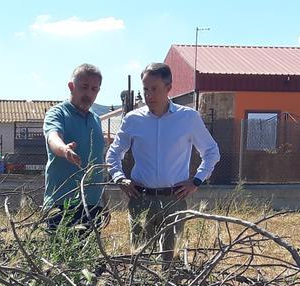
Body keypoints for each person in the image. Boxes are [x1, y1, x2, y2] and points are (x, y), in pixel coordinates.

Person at [106, 62, 220, 263]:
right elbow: (113, 154)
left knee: (171, 260)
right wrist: (119, 178)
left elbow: (211, 152)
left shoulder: (188, 118)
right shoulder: (133, 120)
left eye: (154, 89)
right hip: (141, 198)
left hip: (174, 199)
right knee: (140, 261)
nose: (149, 95)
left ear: (168, 88)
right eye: (145, 89)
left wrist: (196, 181)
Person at [43, 64, 106, 237]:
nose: (89, 94)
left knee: (89, 261)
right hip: (62, 203)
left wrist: (103, 200)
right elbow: (52, 137)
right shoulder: (57, 113)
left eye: (94, 89)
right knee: (61, 261)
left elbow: (97, 161)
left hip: (92, 204)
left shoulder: (96, 120)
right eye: (84, 87)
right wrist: (64, 149)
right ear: (72, 86)